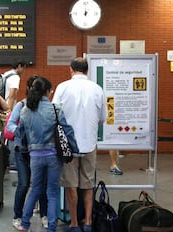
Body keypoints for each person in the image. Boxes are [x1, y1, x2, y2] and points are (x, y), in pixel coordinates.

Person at [15, 76, 79, 232]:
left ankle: (24, 223)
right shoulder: (55, 109)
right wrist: (74, 149)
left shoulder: (25, 110)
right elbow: (67, 130)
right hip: (53, 156)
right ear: (47, 91)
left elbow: (20, 133)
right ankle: (51, 227)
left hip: (35, 156)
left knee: (35, 189)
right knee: (52, 192)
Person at [52, 57, 107, 232]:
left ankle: (74, 223)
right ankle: (88, 222)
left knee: (71, 185)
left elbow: (54, 113)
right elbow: (103, 118)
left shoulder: (62, 87)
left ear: (71, 69)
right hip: (90, 143)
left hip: (68, 144)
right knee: (88, 184)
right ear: (87, 70)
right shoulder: (98, 89)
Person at [8, 75, 49, 229]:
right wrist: (20, 131)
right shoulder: (22, 105)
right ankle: (17, 216)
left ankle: (44, 215)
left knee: (42, 185)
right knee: (24, 184)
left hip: (40, 150)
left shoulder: (47, 106)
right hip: (23, 151)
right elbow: (10, 124)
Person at [3, 58, 28, 172]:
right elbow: (12, 95)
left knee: (6, 137)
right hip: (9, 109)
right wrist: (10, 111)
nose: (23, 71)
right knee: (12, 136)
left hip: (2, 107)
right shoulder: (15, 77)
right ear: (19, 66)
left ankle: (6, 162)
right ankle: (13, 164)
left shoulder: (6, 75)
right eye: (23, 68)